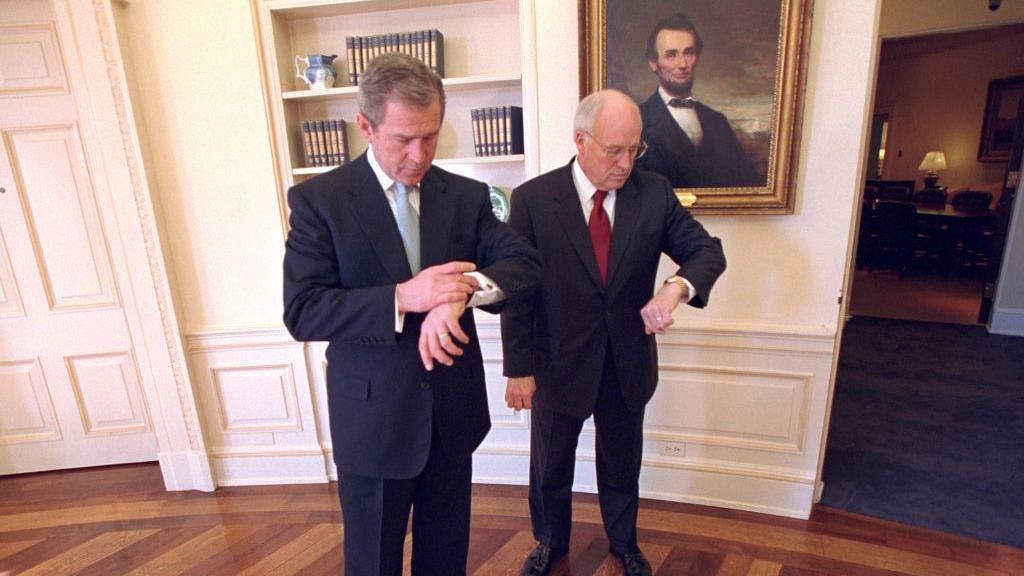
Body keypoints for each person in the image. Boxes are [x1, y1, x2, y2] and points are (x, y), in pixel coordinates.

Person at [282, 52, 541, 576]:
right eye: (403, 139)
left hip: (452, 417)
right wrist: (404, 297)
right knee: (372, 564)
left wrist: (460, 292)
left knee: (445, 561)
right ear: (365, 126)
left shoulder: (465, 196)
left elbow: (525, 265)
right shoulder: (319, 202)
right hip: (372, 424)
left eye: (431, 135)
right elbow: (303, 310)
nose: (420, 155)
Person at [501, 89, 726, 576]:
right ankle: (549, 543)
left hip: (627, 362)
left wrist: (674, 289)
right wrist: (518, 369)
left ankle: (624, 545)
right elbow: (518, 292)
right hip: (557, 364)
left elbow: (707, 251)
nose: (626, 163)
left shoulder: (654, 193)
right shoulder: (534, 200)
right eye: (614, 151)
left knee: (622, 465)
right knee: (550, 466)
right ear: (581, 141)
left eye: (634, 149)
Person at [636, 13, 760, 188]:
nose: (683, 64)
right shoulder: (637, 121)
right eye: (671, 55)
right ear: (653, 63)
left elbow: (748, 185)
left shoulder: (718, 122)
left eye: (689, 53)